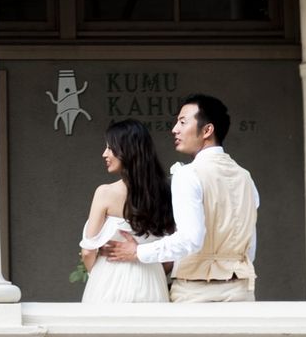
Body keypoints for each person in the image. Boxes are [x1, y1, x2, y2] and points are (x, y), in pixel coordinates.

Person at [102, 94, 259, 302]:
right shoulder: (245, 177)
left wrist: (138, 251)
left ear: (207, 130)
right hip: (241, 291)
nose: (175, 129)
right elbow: (250, 246)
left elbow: (190, 239)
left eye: (183, 122)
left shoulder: (189, 174)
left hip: (196, 292)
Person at [78, 119, 173, 303]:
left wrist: (98, 276)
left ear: (128, 150)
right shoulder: (165, 193)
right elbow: (170, 255)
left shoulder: (105, 193)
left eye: (110, 148)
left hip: (109, 280)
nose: (104, 154)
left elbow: (88, 252)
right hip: (152, 281)